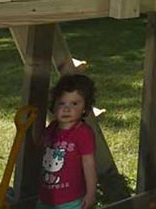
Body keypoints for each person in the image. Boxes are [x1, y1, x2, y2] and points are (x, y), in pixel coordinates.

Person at [38, 73, 98, 209]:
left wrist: (91, 193)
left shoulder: (83, 133)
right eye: (62, 103)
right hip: (46, 198)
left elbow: (89, 164)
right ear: (54, 106)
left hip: (71, 201)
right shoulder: (51, 129)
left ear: (85, 107)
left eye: (74, 103)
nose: (67, 108)